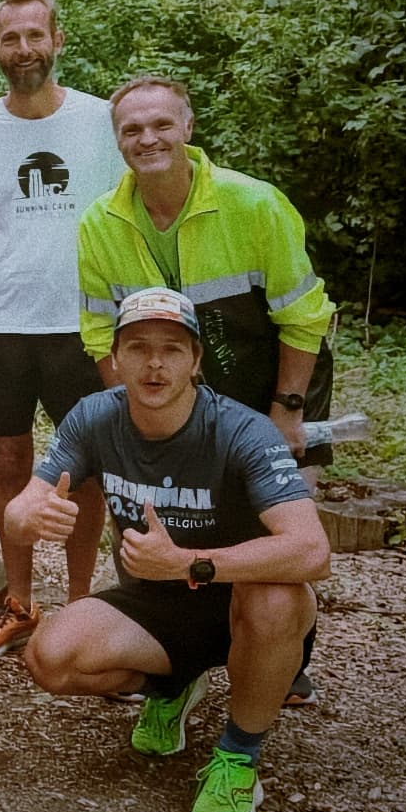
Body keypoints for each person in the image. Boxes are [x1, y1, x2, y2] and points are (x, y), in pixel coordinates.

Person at [14, 288, 329, 812]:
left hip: (242, 599)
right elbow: (21, 507)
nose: (154, 364)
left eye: (172, 349)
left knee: (278, 596)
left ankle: (238, 758)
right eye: (137, 348)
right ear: (114, 358)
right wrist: (33, 516)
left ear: (196, 361)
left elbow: (311, 550)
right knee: (51, 657)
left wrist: (191, 562)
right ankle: (175, 683)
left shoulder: (242, 430)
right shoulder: (94, 416)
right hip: (158, 601)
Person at [76, 73, 336, 704]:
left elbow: (303, 316)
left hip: (272, 377)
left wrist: (288, 410)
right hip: (167, 377)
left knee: (270, 525)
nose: (148, 139)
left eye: (161, 124)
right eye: (132, 129)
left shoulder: (254, 204)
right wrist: (127, 419)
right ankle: (175, 653)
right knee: (160, 508)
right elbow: (99, 332)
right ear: (117, 140)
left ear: (188, 127)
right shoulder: (101, 222)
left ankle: (282, 654)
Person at [0, 0, 121, 660]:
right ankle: (19, 602)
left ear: (57, 40)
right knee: (11, 459)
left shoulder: (101, 122)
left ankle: (80, 605)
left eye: (34, 34)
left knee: (89, 469)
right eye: (10, 38)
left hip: (87, 325)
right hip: (2, 323)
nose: (24, 49)